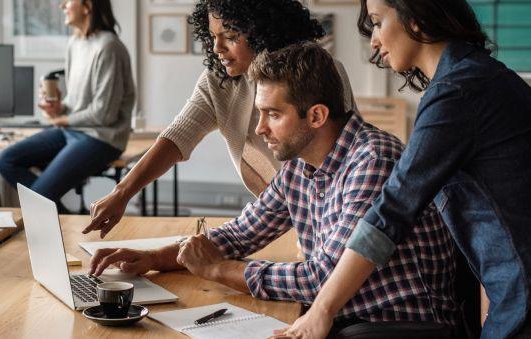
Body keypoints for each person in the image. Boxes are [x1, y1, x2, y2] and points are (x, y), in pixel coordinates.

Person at [89, 42, 460, 331]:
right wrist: (156, 258)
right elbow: (240, 234)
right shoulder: (300, 164)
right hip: (346, 317)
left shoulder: (373, 160)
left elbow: (320, 279)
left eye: (273, 114)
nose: (260, 128)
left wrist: (218, 271)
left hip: (399, 324)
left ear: (316, 116)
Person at [275, 0, 531, 339]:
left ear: (415, 17)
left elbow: (392, 209)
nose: (375, 42)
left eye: (379, 22)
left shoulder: (457, 92)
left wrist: (322, 309)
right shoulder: (477, 77)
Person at [82, 0, 356, 237]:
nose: (217, 48)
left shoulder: (317, 73)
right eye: (213, 36)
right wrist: (121, 194)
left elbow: (338, 161)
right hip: (274, 214)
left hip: (329, 212)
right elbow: (177, 137)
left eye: (231, 36)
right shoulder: (219, 81)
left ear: (264, 32)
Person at [0, 0, 135, 213]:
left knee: (39, 197)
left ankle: (51, 214)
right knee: (5, 160)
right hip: (72, 131)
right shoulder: (75, 43)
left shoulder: (109, 47)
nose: (62, 5)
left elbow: (105, 113)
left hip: (102, 138)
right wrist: (59, 108)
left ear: (87, 6)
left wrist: (63, 120)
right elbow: (76, 102)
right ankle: (62, 216)